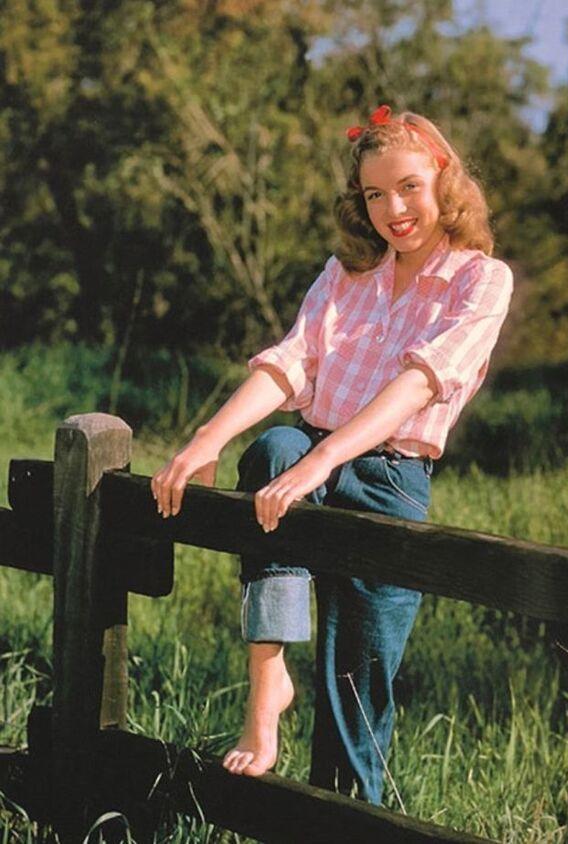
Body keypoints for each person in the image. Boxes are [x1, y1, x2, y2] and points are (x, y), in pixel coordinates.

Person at [151, 104, 513, 806]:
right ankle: (268, 687)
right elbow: (291, 364)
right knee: (276, 446)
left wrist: (325, 462)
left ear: (445, 181)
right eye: (375, 194)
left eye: (408, 186)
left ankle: (347, 815)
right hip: (307, 457)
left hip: (390, 480)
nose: (393, 209)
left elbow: (419, 383)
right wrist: (206, 437)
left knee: (357, 683)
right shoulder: (348, 273)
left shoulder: (480, 280)